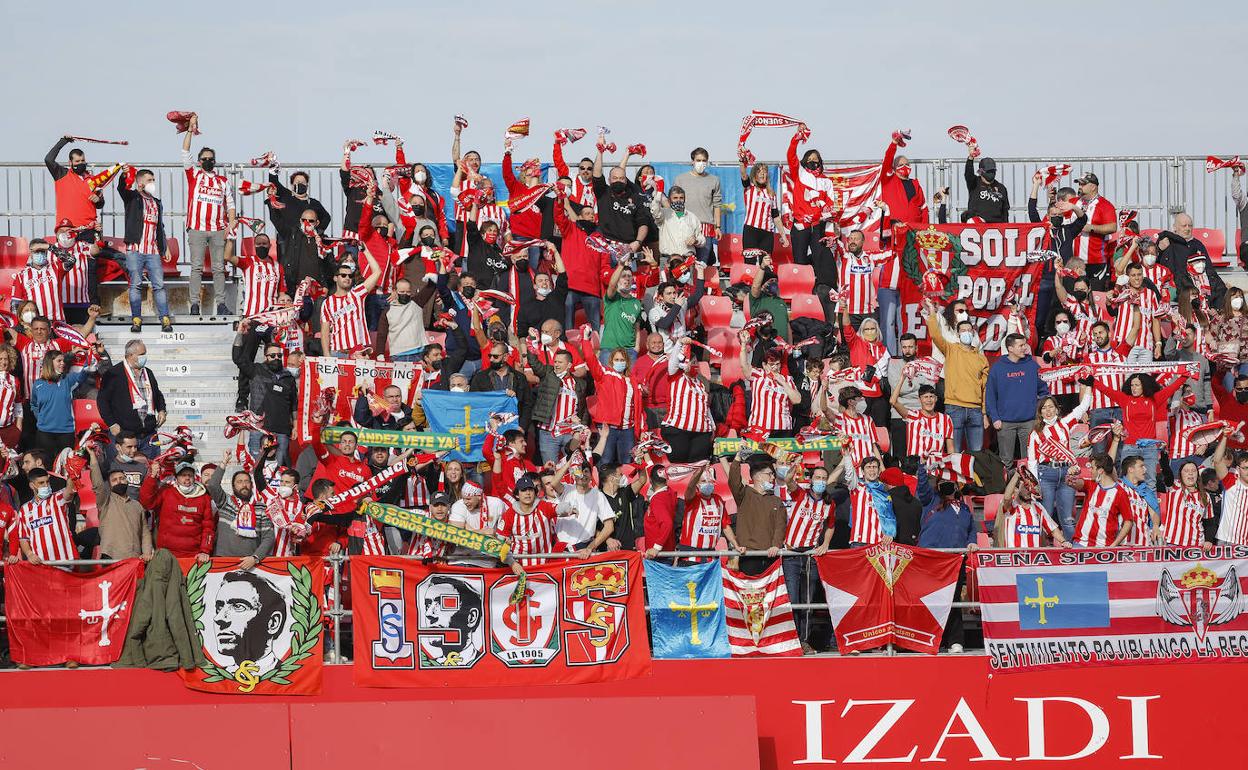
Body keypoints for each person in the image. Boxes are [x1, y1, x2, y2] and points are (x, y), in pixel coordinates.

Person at [916, 466, 977, 653]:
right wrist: (923, 467)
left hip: (955, 561)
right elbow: (922, 485)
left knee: (953, 602)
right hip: (931, 560)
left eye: (949, 483)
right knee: (930, 601)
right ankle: (926, 639)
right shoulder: (931, 500)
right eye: (942, 482)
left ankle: (954, 641)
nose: (946, 486)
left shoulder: (965, 508)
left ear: (957, 485)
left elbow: (971, 531)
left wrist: (972, 542)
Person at [1092, 371, 1188, 490]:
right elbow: (1106, 390)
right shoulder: (1125, 399)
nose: (1134, 388)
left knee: (1150, 484)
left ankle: (1149, 509)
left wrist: (1186, 375)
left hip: (1149, 448)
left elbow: (1172, 388)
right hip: (1130, 447)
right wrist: (1092, 381)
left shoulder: (1154, 399)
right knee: (1127, 484)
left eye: (1137, 385)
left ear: (1145, 386)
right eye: (1132, 385)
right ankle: (1131, 509)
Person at [181, 115, 237, 316]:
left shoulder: (222, 181)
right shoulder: (194, 174)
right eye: (203, 159)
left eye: (210, 159)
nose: (207, 161)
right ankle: (194, 304)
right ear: (199, 161)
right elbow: (185, 151)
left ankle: (221, 303)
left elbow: (230, 204)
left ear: (214, 161)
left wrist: (231, 224)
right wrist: (189, 130)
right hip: (196, 228)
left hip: (217, 229)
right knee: (196, 267)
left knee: (218, 268)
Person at [780, 463, 835, 651]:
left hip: (811, 555)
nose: (820, 481)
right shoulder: (800, 494)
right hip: (791, 554)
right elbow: (788, 481)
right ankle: (791, 639)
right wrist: (793, 470)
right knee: (792, 599)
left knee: (808, 601)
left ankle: (804, 640)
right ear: (811, 480)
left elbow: (831, 525)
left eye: (823, 478)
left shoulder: (829, 504)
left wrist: (825, 544)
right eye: (817, 477)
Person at [924, 300, 988, 451]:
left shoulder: (981, 358)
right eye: (963, 330)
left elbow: (985, 387)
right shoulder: (951, 350)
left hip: (975, 410)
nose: (966, 332)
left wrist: (984, 412)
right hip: (955, 408)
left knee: (977, 454)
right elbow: (934, 334)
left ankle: (974, 476)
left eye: (969, 330)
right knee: (955, 454)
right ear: (958, 334)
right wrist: (933, 312)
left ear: (973, 333)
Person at [116, 167, 173, 333]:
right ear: (140, 182)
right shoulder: (132, 197)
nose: (152, 183)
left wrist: (165, 246)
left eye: (153, 180)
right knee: (135, 285)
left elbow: (159, 227)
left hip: (153, 251)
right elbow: (121, 188)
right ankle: (136, 319)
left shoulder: (157, 202)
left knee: (159, 285)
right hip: (135, 249)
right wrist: (124, 175)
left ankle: (165, 318)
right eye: (149, 180)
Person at [233, 327, 300, 464]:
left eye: (279, 356)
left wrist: (295, 426)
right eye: (273, 355)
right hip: (259, 428)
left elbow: (294, 404)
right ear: (265, 357)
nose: (276, 358)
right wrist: (240, 333)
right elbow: (238, 358)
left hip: (282, 430)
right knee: (256, 467)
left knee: (279, 470)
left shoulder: (288, 377)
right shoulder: (256, 370)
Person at [986, 333, 1049, 466]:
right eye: (1020, 345)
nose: (1025, 348)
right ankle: (1008, 486)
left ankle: (1029, 486)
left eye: (1025, 344)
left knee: (1030, 459)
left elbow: (1043, 390)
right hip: (1005, 422)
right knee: (1006, 461)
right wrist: (995, 417)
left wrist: (1040, 412)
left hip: (1029, 421)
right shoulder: (997, 368)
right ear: (1010, 348)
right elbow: (990, 395)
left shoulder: (1032, 366)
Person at [97, 339, 166, 455]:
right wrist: (111, 424)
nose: (145, 357)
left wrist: (162, 410)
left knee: (152, 470)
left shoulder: (148, 373)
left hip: (148, 435)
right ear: (130, 355)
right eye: (142, 354)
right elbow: (102, 401)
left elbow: (157, 394)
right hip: (124, 436)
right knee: (123, 471)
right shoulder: (114, 374)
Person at [139, 461, 214, 560]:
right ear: (176, 478)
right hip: (166, 553)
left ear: (194, 477)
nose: (187, 478)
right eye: (183, 475)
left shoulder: (204, 498)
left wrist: (205, 550)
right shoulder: (166, 491)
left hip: (193, 555)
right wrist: (152, 477)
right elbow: (147, 502)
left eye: (190, 475)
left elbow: (208, 527)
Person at [85, 450, 152, 561]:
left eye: (122, 478)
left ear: (127, 480)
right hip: (110, 558)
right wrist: (92, 456)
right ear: (109, 485)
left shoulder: (137, 505)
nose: (119, 481)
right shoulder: (105, 501)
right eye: (114, 480)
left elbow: (145, 532)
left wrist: (147, 552)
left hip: (134, 559)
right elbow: (98, 483)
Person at [208, 458, 275, 567]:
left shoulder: (261, 507)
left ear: (252, 485)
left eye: (247, 481)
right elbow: (212, 485)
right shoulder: (225, 501)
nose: (244, 485)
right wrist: (223, 462)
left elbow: (268, 537)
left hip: (250, 563)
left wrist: (255, 557)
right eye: (239, 482)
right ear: (233, 486)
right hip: (223, 561)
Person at [727, 454, 786, 576]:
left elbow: (780, 526)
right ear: (758, 476)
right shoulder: (744, 495)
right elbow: (733, 480)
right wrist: (738, 458)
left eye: (773, 474)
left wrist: (776, 545)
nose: (773, 477)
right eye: (769, 474)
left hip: (771, 556)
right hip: (748, 556)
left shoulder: (776, 501)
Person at [320, 247, 382, 357]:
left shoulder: (357, 293)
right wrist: (326, 354)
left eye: (350, 276)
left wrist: (365, 251)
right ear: (335, 278)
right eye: (343, 275)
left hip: (359, 353)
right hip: (338, 353)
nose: (347, 278)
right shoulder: (328, 302)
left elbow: (377, 272)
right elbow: (325, 331)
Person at [528, 349, 588, 463]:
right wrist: (532, 344)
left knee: (574, 468)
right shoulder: (548, 374)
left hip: (570, 433)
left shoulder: (580, 383)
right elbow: (534, 364)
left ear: (569, 365)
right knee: (552, 471)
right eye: (555, 361)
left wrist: (582, 428)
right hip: (548, 433)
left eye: (560, 362)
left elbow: (583, 409)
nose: (556, 364)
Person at [660, 342, 715, 462]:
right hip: (678, 427)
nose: (693, 365)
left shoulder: (701, 382)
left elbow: (706, 407)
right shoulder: (676, 376)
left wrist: (712, 426)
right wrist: (680, 343)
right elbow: (673, 361)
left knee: (698, 464)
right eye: (690, 361)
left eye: (695, 362)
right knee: (679, 459)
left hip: (701, 431)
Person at [30, 350, 90, 456]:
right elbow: (34, 404)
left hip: (65, 432)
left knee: (65, 466)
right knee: (46, 464)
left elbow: (82, 375)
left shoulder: (67, 380)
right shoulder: (38, 384)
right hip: (44, 432)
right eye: (59, 361)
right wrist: (40, 418)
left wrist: (88, 363)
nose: (63, 363)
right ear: (50, 363)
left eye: (63, 360)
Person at [739, 334, 801, 437]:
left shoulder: (787, 379)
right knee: (759, 453)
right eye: (772, 364)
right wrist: (744, 345)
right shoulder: (758, 375)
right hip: (760, 428)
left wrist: (783, 383)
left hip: (783, 428)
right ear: (764, 365)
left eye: (777, 364)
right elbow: (744, 366)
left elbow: (797, 400)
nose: (775, 368)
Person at [1069, 453, 1135, 547]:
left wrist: (1114, 545)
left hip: (1103, 547)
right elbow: (1075, 483)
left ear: (1100, 470)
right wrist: (1071, 477)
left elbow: (1128, 521)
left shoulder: (1120, 493)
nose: (1090, 471)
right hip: (1081, 544)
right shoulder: (1091, 485)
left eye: (1092, 468)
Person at [994, 470, 1073, 548]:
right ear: (1016, 489)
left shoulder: (1037, 507)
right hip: (1015, 557)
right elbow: (1007, 498)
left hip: (1034, 557)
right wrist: (1017, 475)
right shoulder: (1012, 506)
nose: (1029, 490)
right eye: (1026, 487)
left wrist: (1064, 541)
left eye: (1030, 487)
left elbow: (1053, 528)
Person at [554, 460, 616, 557]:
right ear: (573, 475)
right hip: (561, 549)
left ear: (591, 475)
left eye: (586, 471)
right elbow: (553, 483)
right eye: (579, 471)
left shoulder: (598, 495)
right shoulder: (566, 489)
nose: (583, 474)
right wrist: (570, 463)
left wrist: (589, 548)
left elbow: (609, 527)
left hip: (583, 550)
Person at [1069, 172, 1117, 289]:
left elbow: (1112, 227)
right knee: (1074, 298)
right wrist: (1051, 199)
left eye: (1083, 184)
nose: (1080, 186)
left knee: (1095, 296)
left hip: (1095, 260)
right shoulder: (1074, 202)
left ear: (1093, 186)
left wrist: (1091, 227)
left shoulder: (1105, 205)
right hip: (1074, 261)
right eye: (1079, 184)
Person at [673, 148, 721, 264]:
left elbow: (717, 204)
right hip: (686, 225)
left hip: (705, 227)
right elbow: (676, 204)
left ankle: (700, 282)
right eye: (698, 160)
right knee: (684, 264)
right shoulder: (680, 179)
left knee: (702, 264)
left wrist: (718, 227)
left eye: (704, 160)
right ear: (692, 161)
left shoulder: (714, 180)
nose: (701, 163)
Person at [45, 136, 106, 227]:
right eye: (77, 161)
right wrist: (64, 141)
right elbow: (48, 159)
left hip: (89, 227)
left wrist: (98, 200)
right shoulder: (62, 174)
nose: (81, 163)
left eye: (83, 160)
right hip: (67, 228)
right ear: (70, 163)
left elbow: (100, 204)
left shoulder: (93, 180)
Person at [267, 169, 331, 253]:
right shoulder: (286, 196)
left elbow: (326, 217)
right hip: (287, 240)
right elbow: (274, 183)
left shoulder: (314, 203)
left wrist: (316, 231)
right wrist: (273, 168)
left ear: (307, 185)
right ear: (292, 185)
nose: (300, 184)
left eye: (303, 182)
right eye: (297, 182)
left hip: (307, 241)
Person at [10, 239, 69, 323]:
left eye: (43, 251)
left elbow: (71, 260)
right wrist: (19, 325)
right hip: (34, 323)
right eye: (37, 252)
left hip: (57, 321)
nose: (40, 254)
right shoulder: (21, 276)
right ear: (30, 253)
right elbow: (15, 304)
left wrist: (49, 247)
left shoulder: (56, 267)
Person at [1162, 457, 1215, 548]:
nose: (1190, 473)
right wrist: (1164, 455)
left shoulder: (1205, 496)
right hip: (1173, 543)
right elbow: (1167, 474)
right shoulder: (1175, 487)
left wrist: (1209, 540)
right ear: (1180, 475)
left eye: (1193, 470)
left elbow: (1210, 522)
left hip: (1197, 545)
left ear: (1197, 475)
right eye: (1186, 471)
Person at [892, 384, 953, 459]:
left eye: (931, 397)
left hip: (936, 466)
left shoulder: (945, 419)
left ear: (936, 399)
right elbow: (893, 401)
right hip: (916, 465)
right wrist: (902, 378)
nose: (929, 400)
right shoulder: (913, 416)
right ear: (919, 399)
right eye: (925, 397)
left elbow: (950, 448)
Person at [738, 160, 786, 257]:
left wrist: (783, 235)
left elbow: (775, 216)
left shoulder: (771, 194)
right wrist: (742, 161)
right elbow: (743, 174)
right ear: (754, 175)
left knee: (766, 264)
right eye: (759, 172)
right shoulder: (749, 188)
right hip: (751, 230)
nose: (762, 174)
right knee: (750, 263)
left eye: (764, 172)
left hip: (767, 233)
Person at [1211, 436, 1248, 546]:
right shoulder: (1232, 481)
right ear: (1238, 469)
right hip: (1228, 541)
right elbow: (1217, 461)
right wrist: (1225, 437)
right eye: (1245, 468)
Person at [963, 154, 1009, 222]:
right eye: (988, 171)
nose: (991, 174)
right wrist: (971, 158)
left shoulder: (1001, 188)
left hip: (996, 227)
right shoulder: (974, 183)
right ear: (981, 171)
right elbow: (968, 173)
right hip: (977, 225)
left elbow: (1005, 212)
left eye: (992, 171)